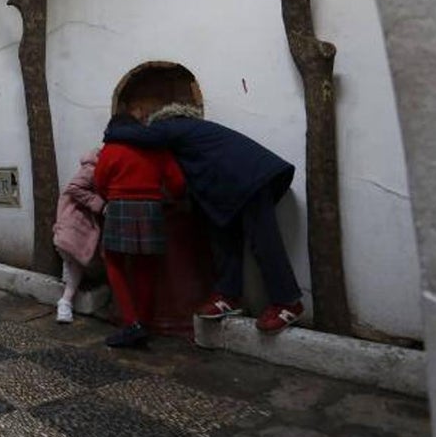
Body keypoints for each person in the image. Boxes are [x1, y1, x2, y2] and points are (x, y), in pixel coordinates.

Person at [103, 102, 304, 333]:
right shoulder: (194, 134)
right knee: (224, 236)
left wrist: (110, 132)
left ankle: (288, 302)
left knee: (264, 241)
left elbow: (140, 136)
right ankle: (228, 296)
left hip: (251, 179)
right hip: (236, 186)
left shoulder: (174, 126)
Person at [95, 109, 186, 347]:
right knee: (145, 267)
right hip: (152, 208)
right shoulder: (157, 147)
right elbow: (177, 183)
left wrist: (114, 198)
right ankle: (144, 324)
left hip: (119, 207)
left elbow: (99, 183)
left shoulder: (110, 149)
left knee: (113, 261)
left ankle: (131, 323)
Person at [51, 150, 105, 325]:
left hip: (78, 225)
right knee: (74, 262)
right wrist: (99, 204)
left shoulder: (93, 167)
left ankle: (65, 302)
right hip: (76, 224)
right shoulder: (92, 169)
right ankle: (65, 302)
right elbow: (73, 188)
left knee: (72, 263)